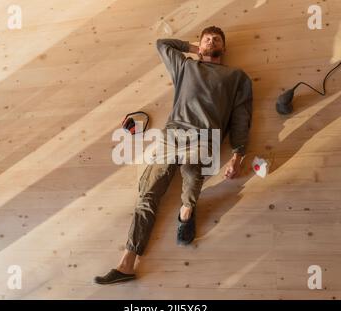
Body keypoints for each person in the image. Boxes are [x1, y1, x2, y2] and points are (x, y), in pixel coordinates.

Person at [94, 26, 253, 284]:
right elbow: (162, 44)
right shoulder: (186, 67)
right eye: (207, 39)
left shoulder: (236, 77)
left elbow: (241, 118)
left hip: (205, 137)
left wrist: (238, 155)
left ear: (224, 48)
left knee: (191, 169)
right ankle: (127, 263)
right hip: (171, 137)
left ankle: (187, 211)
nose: (212, 41)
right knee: (148, 192)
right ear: (199, 46)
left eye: (217, 39)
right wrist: (193, 49)